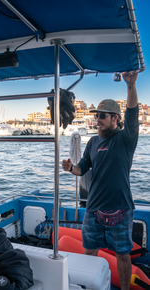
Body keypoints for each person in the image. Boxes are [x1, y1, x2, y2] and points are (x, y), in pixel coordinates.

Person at [62, 71, 139, 290]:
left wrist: (131, 85)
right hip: (94, 208)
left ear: (115, 118)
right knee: (89, 253)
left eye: (103, 115)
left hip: (120, 209)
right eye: (97, 115)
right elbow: (83, 168)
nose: (98, 119)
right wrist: (71, 169)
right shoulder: (93, 142)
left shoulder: (126, 139)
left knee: (123, 255)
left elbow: (132, 114)